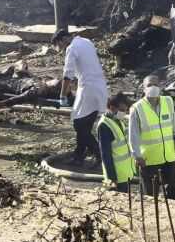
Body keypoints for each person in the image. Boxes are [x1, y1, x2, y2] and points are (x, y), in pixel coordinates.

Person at [52, 29, 108, 168]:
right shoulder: (87, 42)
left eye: (60, 44)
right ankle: (78, 157)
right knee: (85, 125)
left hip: (88, 88)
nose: (61, 48)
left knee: (79, 125)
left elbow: (67, 75)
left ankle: (100, 155)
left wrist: (63, 96)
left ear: (65, 39)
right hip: (100, 86)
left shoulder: (72, 47)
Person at [129, 75, 175, 199]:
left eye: (156, 85)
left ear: (161, 87)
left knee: (173, 192)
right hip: (149, 160)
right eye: (149, 85)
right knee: (150, 195)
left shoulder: (168, 101)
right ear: (143, 88)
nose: (153, 87)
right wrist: (137, 155)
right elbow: (133, 134)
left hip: (169, 156)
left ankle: (174, 216)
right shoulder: (137, 108)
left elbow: (174, 125)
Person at [97, 92, 135, 192]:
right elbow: (106, 154)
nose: (123, 113)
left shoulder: (119, 121)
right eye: (121, 110)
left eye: (125, 110)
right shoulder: (104, 126)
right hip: (116, 177)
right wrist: (112, 178)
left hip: (126, 173)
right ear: (111, 107)